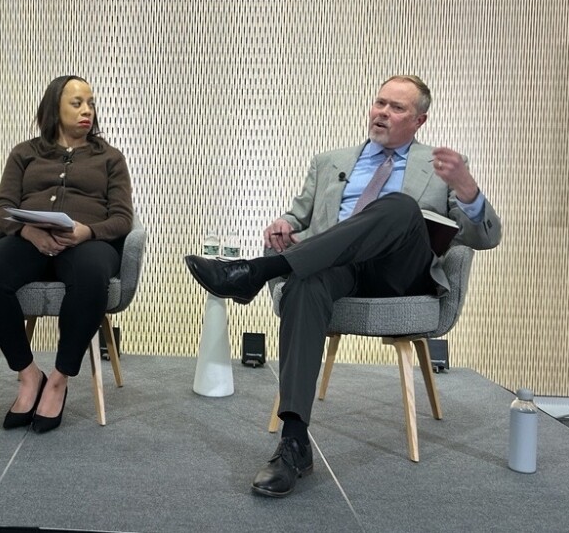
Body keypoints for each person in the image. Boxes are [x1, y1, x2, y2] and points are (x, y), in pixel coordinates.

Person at [184, 75, 501, 497]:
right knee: (304, 284)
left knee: (400, 206)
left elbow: (485, 238)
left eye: (397, 108)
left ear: (419, 120)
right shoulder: (328, 161)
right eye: (380, 102)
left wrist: (468, 189)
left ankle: (254, 273)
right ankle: (294, 443)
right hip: (338, 267)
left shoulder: (442, 168)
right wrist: (283, 224)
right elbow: (298, 217)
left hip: (398, 275)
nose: (383, 113)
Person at [0, 75, 133, 433]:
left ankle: (59, 379)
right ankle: (29, 375)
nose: (87, 110)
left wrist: (88, 231)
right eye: (77, 103)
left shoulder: (110, 158)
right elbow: (3, 207)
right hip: (30, 240)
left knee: (90, 276)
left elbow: (123, 218)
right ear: (54, 108)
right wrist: (27, 231)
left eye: (91, 103)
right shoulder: (24, 153)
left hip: (88, 243)